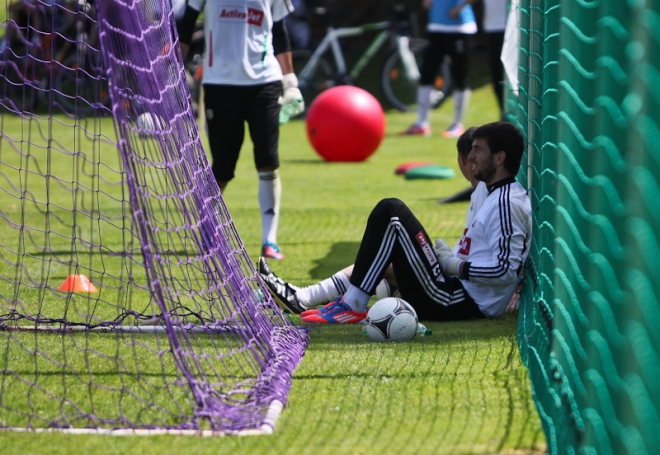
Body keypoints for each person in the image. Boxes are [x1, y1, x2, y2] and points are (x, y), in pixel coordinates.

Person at [261, 122, 532, 323]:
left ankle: (352, 304)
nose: (471, 157)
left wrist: (455, 265)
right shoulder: (492, 191)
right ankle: (308, 298)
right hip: (453, 288)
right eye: (470, 151)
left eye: (478, 151)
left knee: (392, 212)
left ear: (499, 157)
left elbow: (505, 270)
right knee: (389, 244)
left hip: (458, 300)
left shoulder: (507, 202)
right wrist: (450, 260)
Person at [176, 0, 305, 260]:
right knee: (223, 167)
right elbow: (186, 23)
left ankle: (270, 240)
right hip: (219, 83)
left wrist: (290, 80)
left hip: (264, 82)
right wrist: (170, 70)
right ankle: (207, 227)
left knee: (268, 160)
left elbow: (279, 31)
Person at [400, 0, 477, 138]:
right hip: (436, 27)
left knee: (460, 76)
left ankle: (457, 125)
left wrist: (459, 8)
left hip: (460, 29)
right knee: (426, 73)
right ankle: (421, 123)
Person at [450, 0, 508, 120]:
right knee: (496, 73)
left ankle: (513, 111)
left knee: (510, 71)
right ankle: (504, 111)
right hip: (492, 27)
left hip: (509, 27)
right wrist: (459, 7)